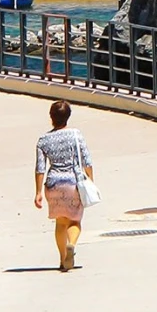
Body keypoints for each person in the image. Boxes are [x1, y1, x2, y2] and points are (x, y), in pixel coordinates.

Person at [34, 99, 96, 272]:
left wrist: (38, 192)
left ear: (51, 117)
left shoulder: (43, 140)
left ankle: (62, 259)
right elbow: (87, 161)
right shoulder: (76, 135)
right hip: (73, 183)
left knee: (60, 223)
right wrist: (90, 180)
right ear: (68, 117)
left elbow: (40, 168)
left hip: (53, 184)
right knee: (75, 220)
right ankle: (72, 245)